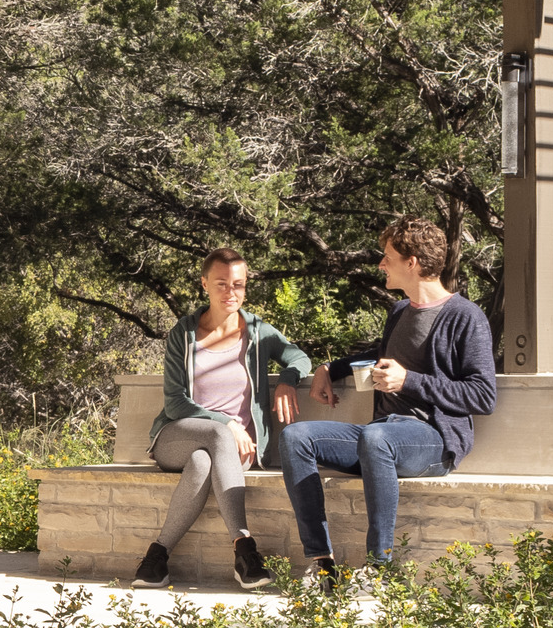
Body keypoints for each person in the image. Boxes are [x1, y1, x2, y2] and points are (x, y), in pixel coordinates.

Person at [275, 214, 497, 578]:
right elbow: (381, 358)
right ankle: (321, 563)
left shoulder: (466, 317)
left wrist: (409, 381)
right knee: (296, 437)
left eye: (388, 257)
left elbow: (483, 395)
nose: (381, 264)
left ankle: (380, 568)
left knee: (377, 438)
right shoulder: (399, 311)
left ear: (413, 263)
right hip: (381, 437)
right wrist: (332, 368)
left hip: (432, 440)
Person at [134, 247, 319, 590]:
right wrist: (228, 422)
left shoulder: (257, 331)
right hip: (178, 436)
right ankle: (245, 548)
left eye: (239, 284)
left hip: (234, 454)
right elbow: (175, 403)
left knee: (203, 463)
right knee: (217, 437)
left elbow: (299, 357)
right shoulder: (184, 334)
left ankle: (156, 558)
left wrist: (288, 382)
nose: (231, 292)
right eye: (221, 283)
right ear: (204, 283)